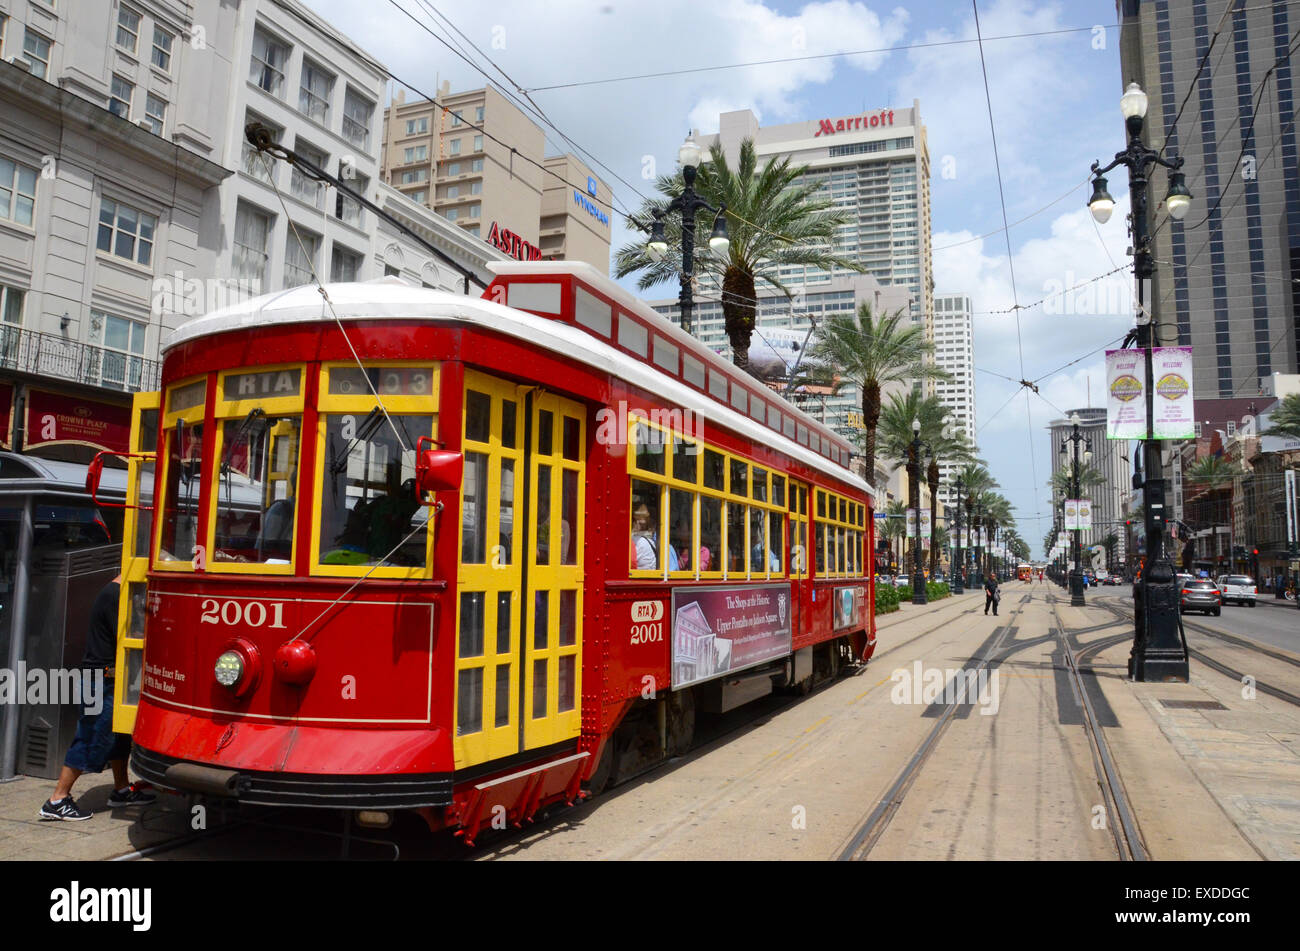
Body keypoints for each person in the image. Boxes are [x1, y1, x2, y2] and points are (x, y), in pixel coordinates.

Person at [39, 575, 156, 821]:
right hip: (101, 679)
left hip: (109, 678)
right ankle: (57, 800)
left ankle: (121, 790)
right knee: (92, 736)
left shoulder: (116, 592)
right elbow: (129, 636)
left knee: (119, 735)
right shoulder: (116, 596)